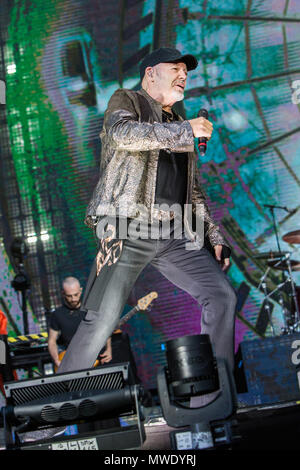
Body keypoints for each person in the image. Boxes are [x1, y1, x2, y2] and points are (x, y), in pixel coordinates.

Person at [57, 47, 237, 382]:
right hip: (127, 225)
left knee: (221, 294)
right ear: (151, 73)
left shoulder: (180, 125)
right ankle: (53, 407)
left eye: (186, 71)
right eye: (176, 69)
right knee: (103, 317)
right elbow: (122, 134)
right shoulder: (127, 100)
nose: (183, 76)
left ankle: (215, 390)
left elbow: (192, 191)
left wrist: (213, 236)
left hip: (174, 233)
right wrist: (186, 132)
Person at [48, 276, 112, 370]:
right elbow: (51, 341)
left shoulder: (91, 309)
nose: (73, 299)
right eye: (69, 296)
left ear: (81, 291)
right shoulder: (57, 314)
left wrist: (108, 349)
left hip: (96, 360)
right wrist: (57, 360)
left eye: (76, 295)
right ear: (63, 293)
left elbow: (104, 329)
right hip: (72, 362)